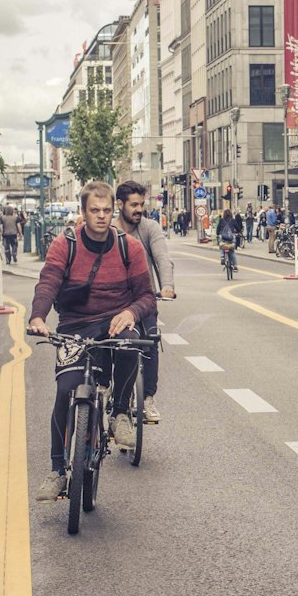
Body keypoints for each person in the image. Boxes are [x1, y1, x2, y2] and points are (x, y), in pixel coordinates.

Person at [27, 181, 157, 503]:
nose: (101, 216)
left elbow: (146, 297)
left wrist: (130, 312)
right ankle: (58, 471)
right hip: (75, 325)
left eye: (106, 210)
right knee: (64, 391)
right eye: (94, 211)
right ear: (83, 212)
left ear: (113, 212)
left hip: (115, 321)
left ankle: (119, 413)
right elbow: (48, 282)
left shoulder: (130, 247)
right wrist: (38, 317)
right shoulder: (65, 244)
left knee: (132, 342)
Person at [117, 181, 175, 425]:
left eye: (142, 204)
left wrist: (167, 286)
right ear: (120, 205)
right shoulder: (109, 229)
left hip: (145, 297)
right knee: (114, 345)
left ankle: (148, 399)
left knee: (150, 339)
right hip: (115, 301)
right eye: (134, 205)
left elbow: (162, 257)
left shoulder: (150, 227)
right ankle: (109, 389)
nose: (139, 209)